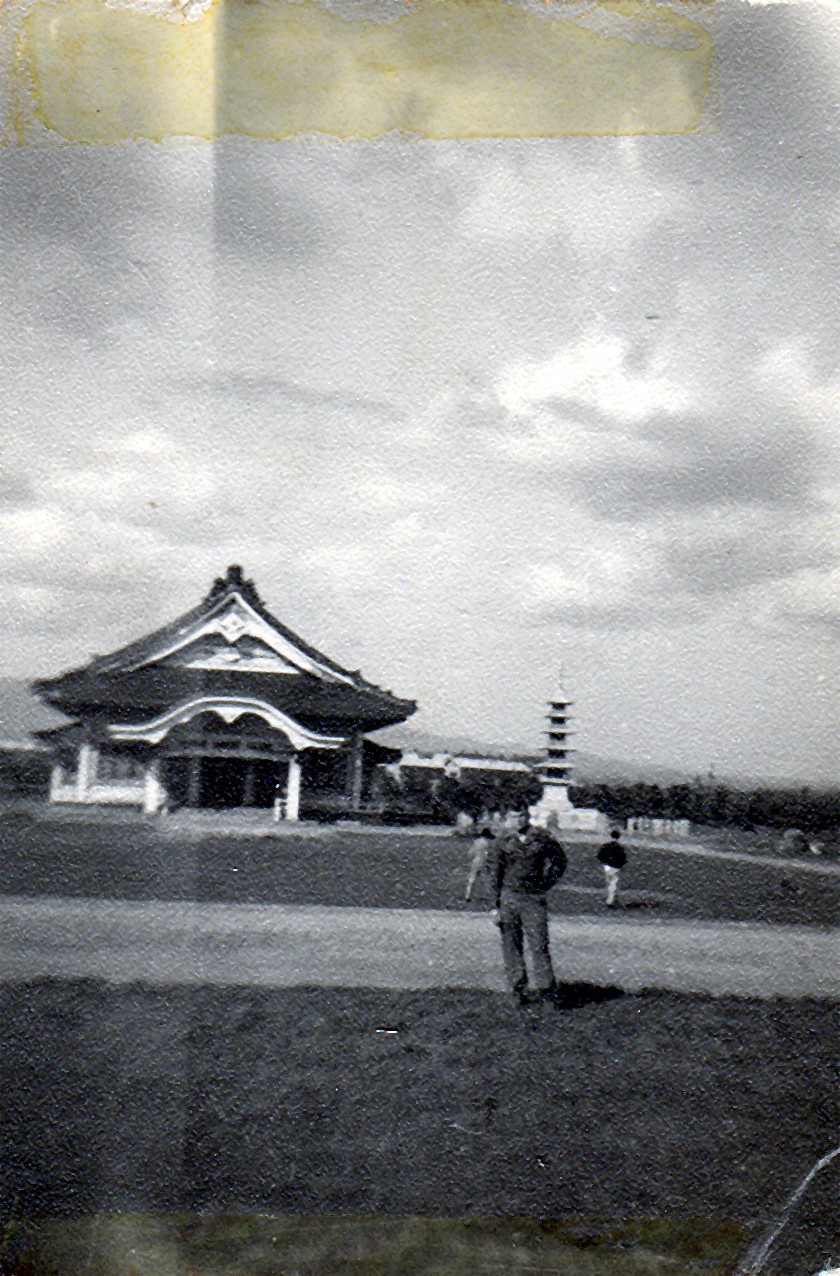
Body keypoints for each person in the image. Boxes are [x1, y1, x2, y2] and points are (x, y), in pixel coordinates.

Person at [488, 808, 567, 1006]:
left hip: (533, 898)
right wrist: (494, 905)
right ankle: (517, 989)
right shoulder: (501, 841)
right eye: (514, 816)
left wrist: (545, 883)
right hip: (509, 897)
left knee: (539, 944)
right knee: (511, 944)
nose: (518, 820)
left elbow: (559, 861)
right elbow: (494, 874)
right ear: (508, 818)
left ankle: (546, 990)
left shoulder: (542, 838)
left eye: (522, 815)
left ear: (528, 817)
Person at [597, 829, 627, 908]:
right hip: (616, 867)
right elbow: (623, 858)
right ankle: (611, 900)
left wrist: (604, 863)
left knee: (609, 883)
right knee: (614, 883)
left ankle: (611, 899)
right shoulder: (619, 847)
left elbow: (600, 855)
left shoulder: (606, 846)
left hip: (607, 866)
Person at [465, 823, 494, 901]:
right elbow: (486, 853)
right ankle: (485, 895)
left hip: (475, 860)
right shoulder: (486, 843)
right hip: (482, 861)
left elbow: (470, 852)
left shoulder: (476, 841)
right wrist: (489, 861)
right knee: (484, 879)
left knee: (472, 878)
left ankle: (468, 895)